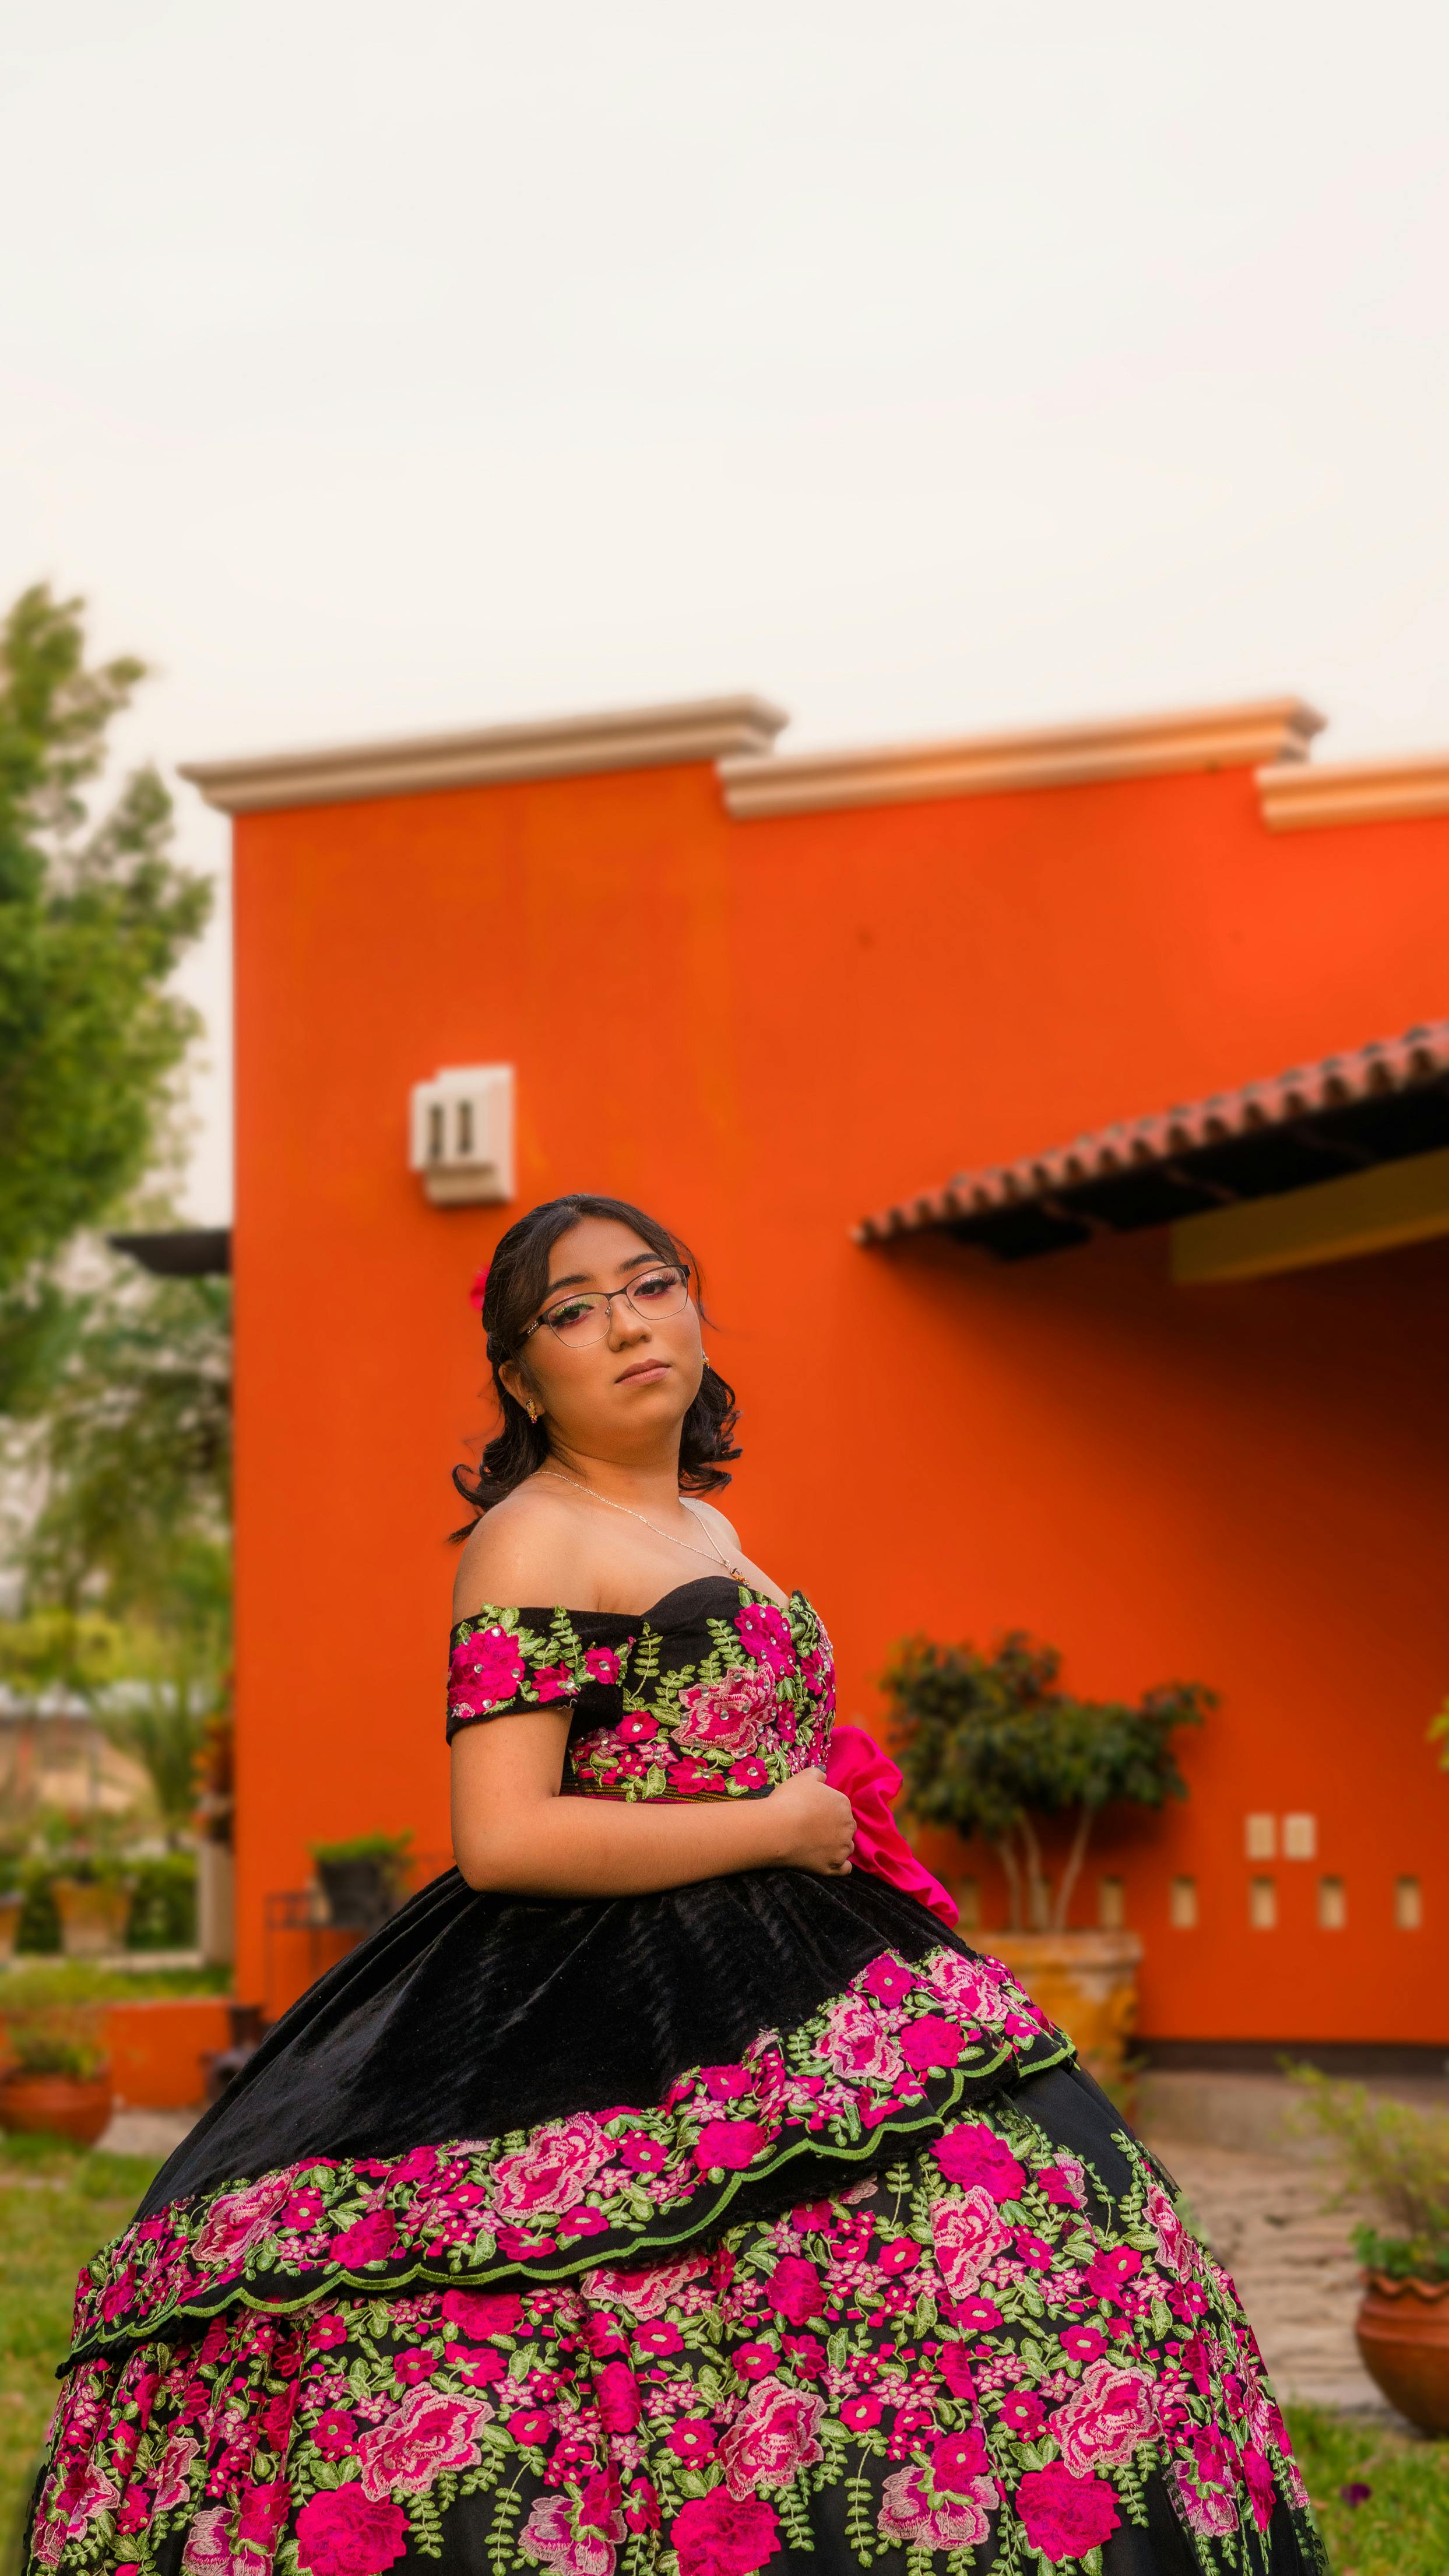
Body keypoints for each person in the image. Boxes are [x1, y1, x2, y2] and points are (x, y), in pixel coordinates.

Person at [27, 1194, 1324, 2576]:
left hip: (801, 1950)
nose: (625, 1321)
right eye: (571, 1309)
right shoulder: (530, 1536)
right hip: (602, 1983)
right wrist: (775, 1820)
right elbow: (504, 1836)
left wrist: (805, 1823)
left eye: (648, 1283)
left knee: (1047, 2260)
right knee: (630, 2347)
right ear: (523, 1380)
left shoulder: (709, 1528)